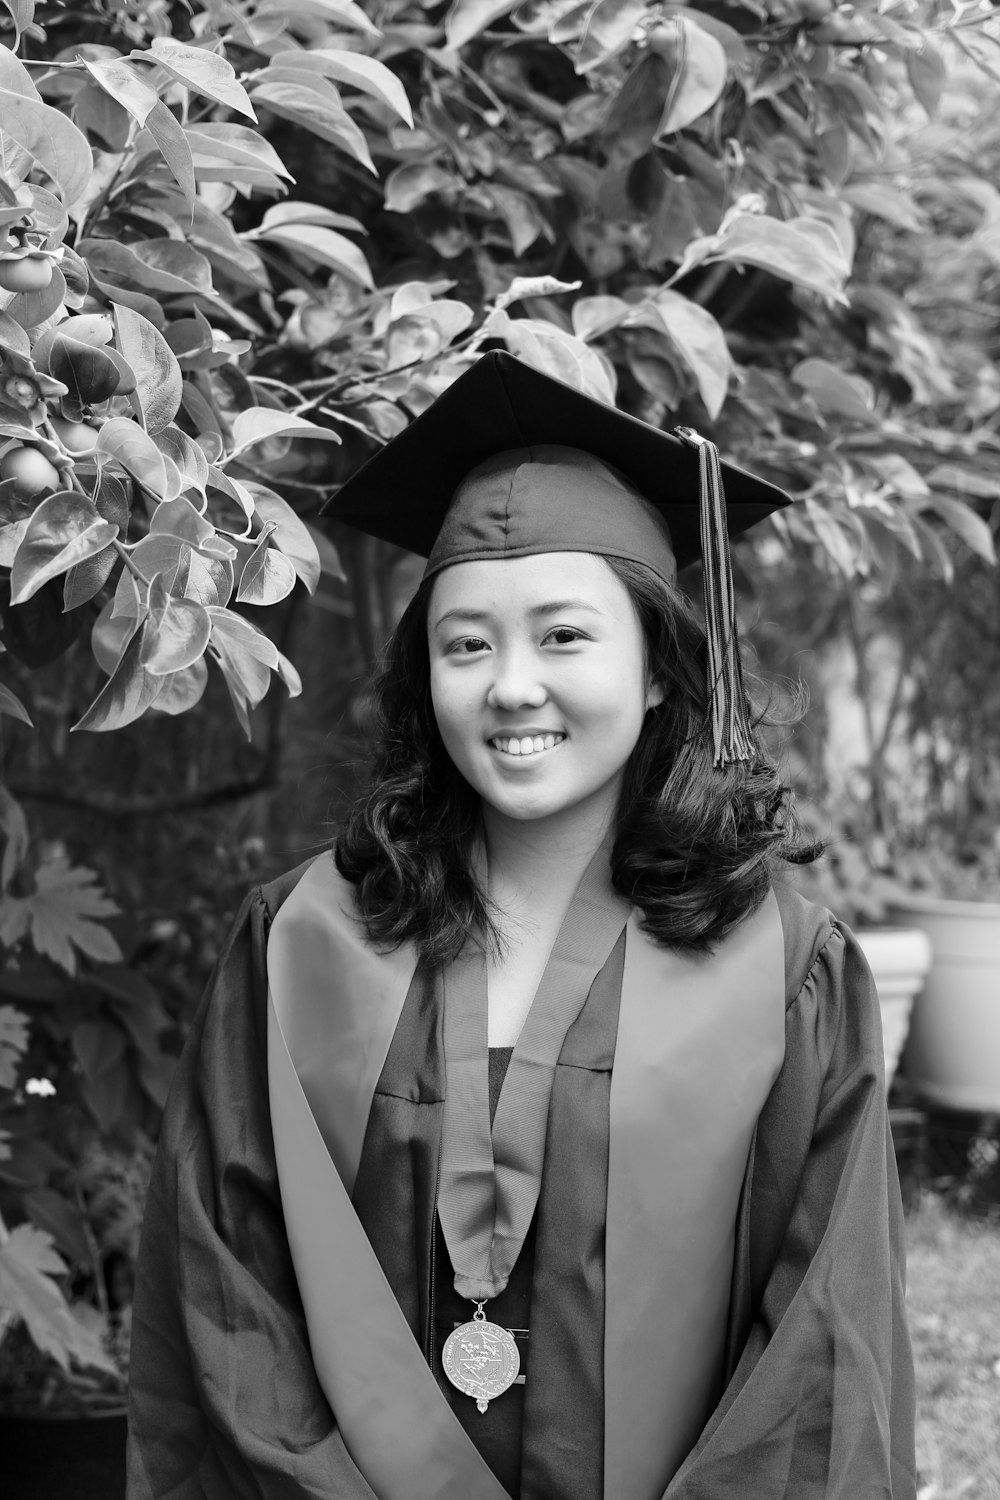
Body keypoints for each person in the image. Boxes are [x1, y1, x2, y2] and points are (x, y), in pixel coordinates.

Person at [127, 352, 916, 1499]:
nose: (509, 687)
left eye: (562, 636)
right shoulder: (302, 942)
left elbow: (818, 1339)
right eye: (466, 644)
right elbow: (224, 1297)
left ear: (658, 668)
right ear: (424, 672)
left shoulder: (780, 964)